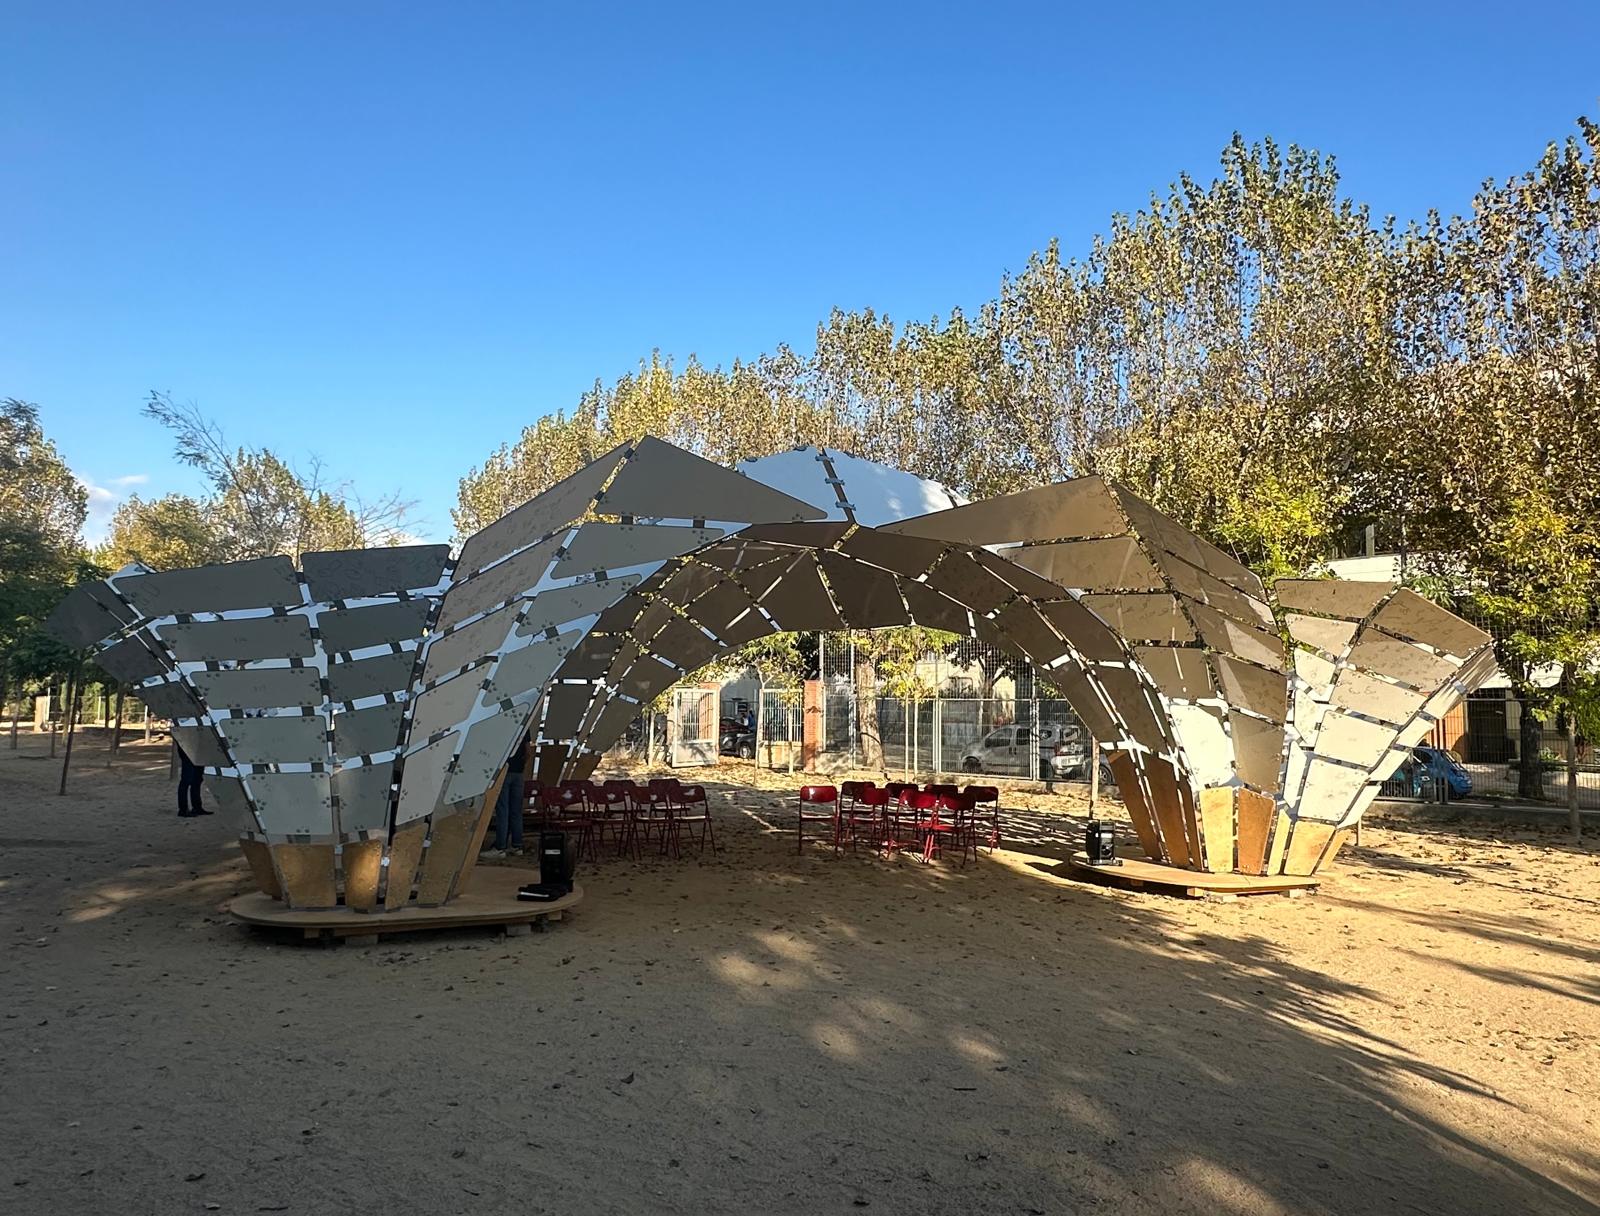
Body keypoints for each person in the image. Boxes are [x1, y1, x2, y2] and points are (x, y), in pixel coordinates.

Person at [483, 729, 531, 858]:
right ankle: (517, 845)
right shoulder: (524, 727)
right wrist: (521, 765)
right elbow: (528, 752)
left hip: (504, 771)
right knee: (516, 811)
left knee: (502, 811)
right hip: (518, 773)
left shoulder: (503, 725)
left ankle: (500, 847)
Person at [175, 741, 212, 818]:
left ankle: (197, 807)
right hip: (187, 748)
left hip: (198, 749)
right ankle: (183, 809)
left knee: (197, 780)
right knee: (186, 780)